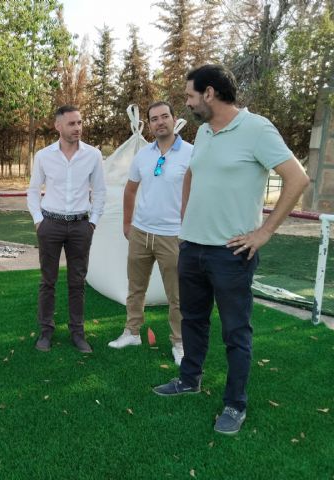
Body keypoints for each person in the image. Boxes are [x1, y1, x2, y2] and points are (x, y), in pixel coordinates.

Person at [153, 65, 309, 435]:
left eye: (190, 95)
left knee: (235, 331)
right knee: (192, 320)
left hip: (231, 254)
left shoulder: (257, 129)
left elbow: (297, 178)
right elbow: (192, 173)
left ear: (209, 93)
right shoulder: (204, 131)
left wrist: (264, 233)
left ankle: (235, 404)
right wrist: (186, 219)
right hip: (192, 247)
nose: (187, 103)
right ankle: (189, 379)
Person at [108, 101, 192, 366]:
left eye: (164, 116)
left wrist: (188, 230)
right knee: (135, 288)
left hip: (173, 236)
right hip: (141, 233)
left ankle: (179, 343)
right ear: (150, 124)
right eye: (154, 119)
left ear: (174, 119)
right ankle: (132, 332)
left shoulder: (191, 154)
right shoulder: (143, 156)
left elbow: (199, 194)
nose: (159, 122)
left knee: (176, 295)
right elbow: (130, 190)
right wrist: (127, 223)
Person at [27, 105, 106, 353]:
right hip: (50, 224)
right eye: (72, 123)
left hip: (81, 226)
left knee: (77, 282)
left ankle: (78, 333)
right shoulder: (43, 156)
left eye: (80, 123)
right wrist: (39, 220)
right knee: (47, 281)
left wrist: (92, 221)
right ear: (58, 126)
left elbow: (101, 191)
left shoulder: (93, 155)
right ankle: (46, 332)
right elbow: (32, 190)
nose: (78, 128)